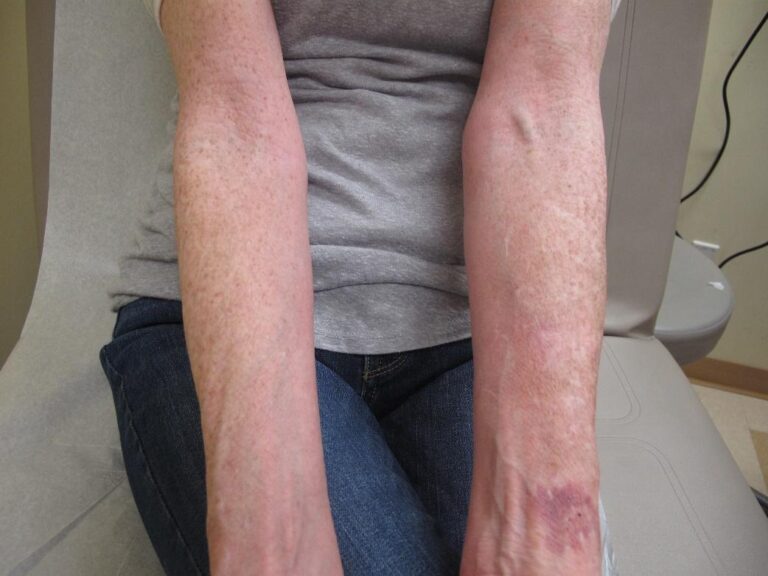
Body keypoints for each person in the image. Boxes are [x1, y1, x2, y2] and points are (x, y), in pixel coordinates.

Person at [99, 0, 623, 574]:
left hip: (475, 321)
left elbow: (541, 115)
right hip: (229, 305)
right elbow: (237, 119)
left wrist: (550, 510)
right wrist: (269, 514)